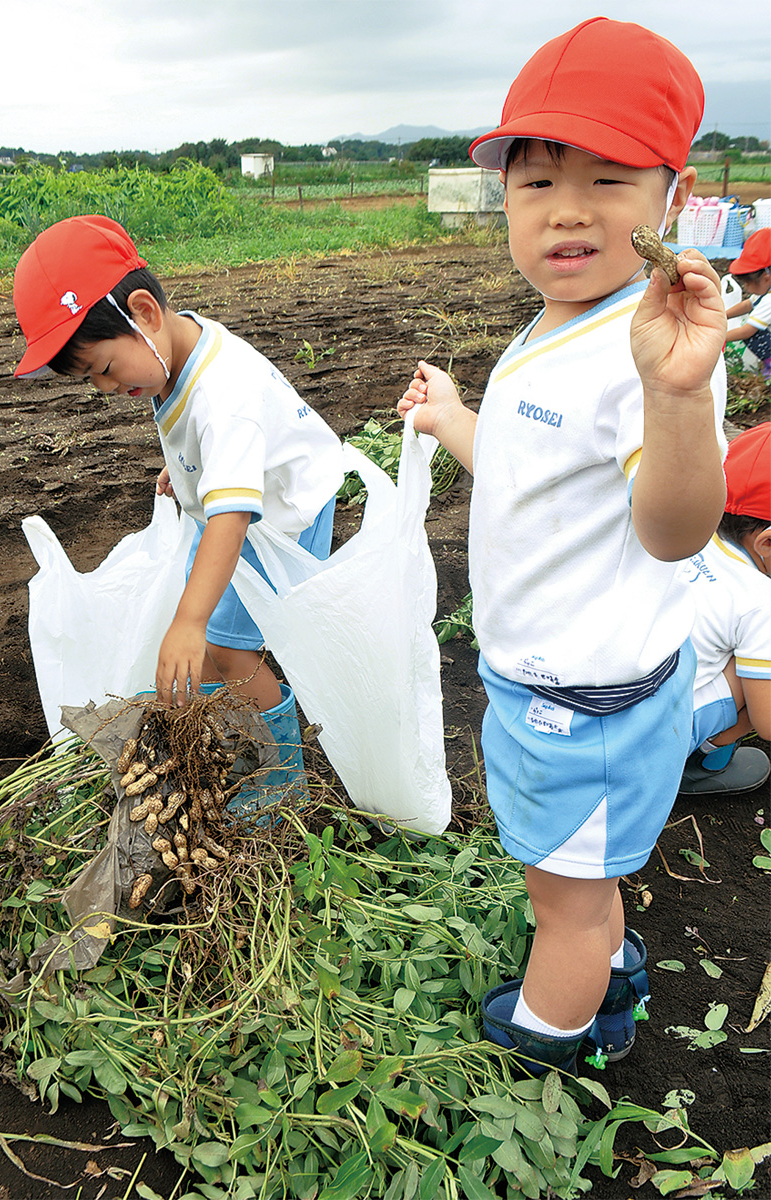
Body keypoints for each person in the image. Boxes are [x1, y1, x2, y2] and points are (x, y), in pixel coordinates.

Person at [398, 17, 728, 1074]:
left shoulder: (652, 351)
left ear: (668, 200)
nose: (568, 210)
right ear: (503, 198)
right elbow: (540, 476)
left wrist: (676, 402)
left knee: (566, 904)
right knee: (576, 876)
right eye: (537, 181)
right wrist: (456, 420)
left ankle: (541, 1048)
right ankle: (607, 961)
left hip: (582, 708)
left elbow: (674, 531)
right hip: (554, 684)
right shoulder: (557, 321)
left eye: (609, 178)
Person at [12, 215, 344, 792]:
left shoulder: (225, 395)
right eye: (92, 380)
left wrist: (189, 622)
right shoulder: (173, 350)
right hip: (237, 502)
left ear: (143, 312)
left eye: (106, 369)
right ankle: (229, 737)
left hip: (283, 513)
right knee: (209, 641)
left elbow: (232, 509)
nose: (107, 389)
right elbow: (211, 435)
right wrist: (191, 465)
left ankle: (282, 784)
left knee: (224, 647)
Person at [679, 422, 771, 794]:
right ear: (767, 543)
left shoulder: (681, 531)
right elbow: (768, 725)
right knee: (759, 678)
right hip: (646, 738)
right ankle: (699, 765)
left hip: (593, 703)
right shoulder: (760, 601)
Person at [723, 229, 771, 377]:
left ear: (766, 278)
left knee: (754, 333)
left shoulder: (769, 300)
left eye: (747, 283)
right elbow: (747, 305)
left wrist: (717, 337)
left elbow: (747, 331)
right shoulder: (765, 291)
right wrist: (722, 315)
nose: (746, 287)